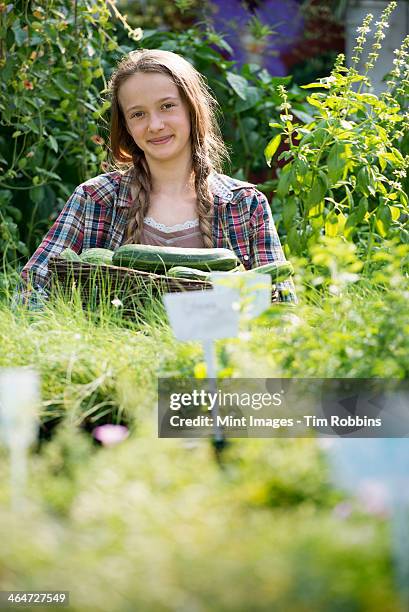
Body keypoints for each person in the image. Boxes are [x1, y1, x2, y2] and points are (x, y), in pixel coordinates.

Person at [18, 48, 296, 306]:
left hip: (213, 356)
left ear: (192, 108)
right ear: (126, 126)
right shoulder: (96, 198)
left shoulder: (245, 204)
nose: (155, 125)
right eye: (138, 114)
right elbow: (30, 290)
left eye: (167, 106)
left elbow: (283, 308)